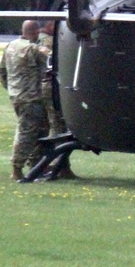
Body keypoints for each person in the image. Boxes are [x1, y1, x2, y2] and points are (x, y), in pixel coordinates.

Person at [0, 20, 50, 180]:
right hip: (32, 98)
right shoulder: (33, 49)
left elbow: (1, 71)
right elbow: (52, 59)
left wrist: (12, 88)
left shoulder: (11, 46)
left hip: (17, 96)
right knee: (27, 132)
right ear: (35, 32)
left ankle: (36, 166)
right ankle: (17, 168)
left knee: (39, 131)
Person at [37, 20, 76, 179]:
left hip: (43, 88)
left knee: (50, 126)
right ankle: (61, 167)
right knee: (58, 128)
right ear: (48, 25)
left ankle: (50, 165)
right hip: (51, 88)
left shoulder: (37, 41)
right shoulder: (48, 42)